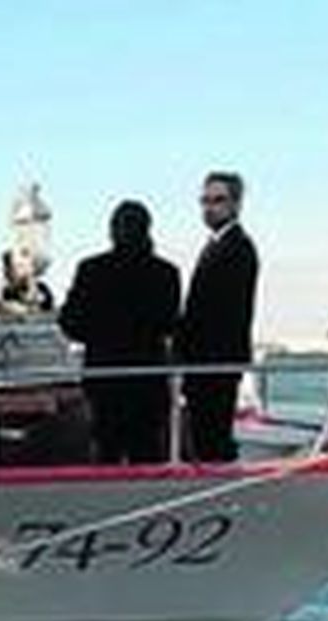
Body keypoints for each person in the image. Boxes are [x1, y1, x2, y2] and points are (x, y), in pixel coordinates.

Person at [60, 200, 182, 465]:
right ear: (147, 230)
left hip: (104, 378)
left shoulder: (91, 270)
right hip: (148, 380)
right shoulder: (166, 273)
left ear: (112, 231)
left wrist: (98, 336)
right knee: (148, 457)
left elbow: (69, 322)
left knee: (105, 455)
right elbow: (170, 324)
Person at [177, 171, 259, 462]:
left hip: (216, 360)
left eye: (218, 200)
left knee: (212, 438)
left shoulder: (238, 247)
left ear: (236, 204)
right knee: (204, 436)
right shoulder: (216, 245)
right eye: (205, 201)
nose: (209, 207)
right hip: (206, 361)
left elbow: (221, 314)